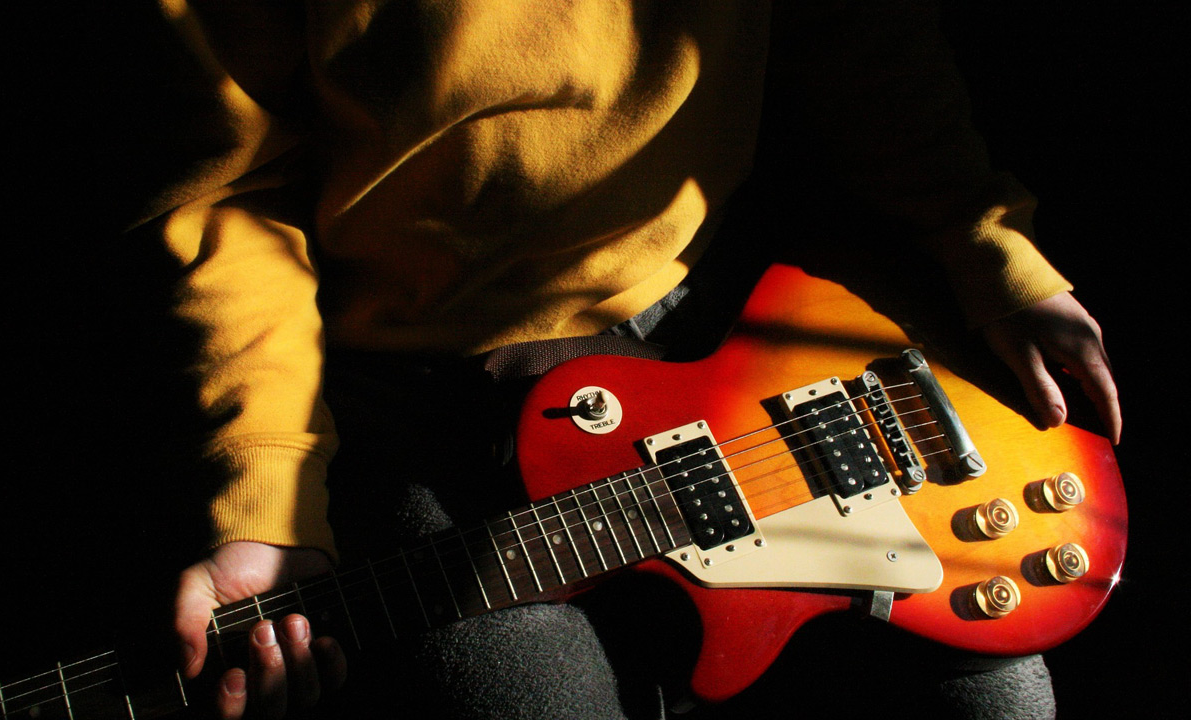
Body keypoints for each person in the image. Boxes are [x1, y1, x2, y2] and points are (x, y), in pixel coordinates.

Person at [109, 1, 1122, 718]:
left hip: (719, 331)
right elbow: (227, 202)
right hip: (422, 394)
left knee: (995, 700)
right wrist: (265, 499)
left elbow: (859, 35)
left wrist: (986, 247)